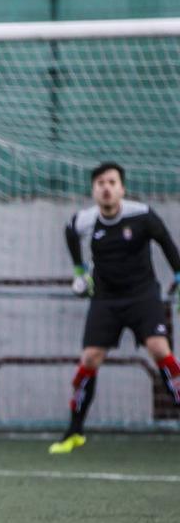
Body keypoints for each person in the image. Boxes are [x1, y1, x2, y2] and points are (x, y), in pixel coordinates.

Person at [50, 161, 180, 454]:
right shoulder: (85, 220)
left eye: (111, 182)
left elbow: (167, 243)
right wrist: (80, 271)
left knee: (160, 349)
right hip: (106, 300)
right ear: (94, 190)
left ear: (122, 188)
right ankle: (74, 431)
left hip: (143, 295)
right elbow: (70, 232)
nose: (106, 188)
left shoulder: (142, 215)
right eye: (100, 183)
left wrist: (179, 275)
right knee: (90, 359)